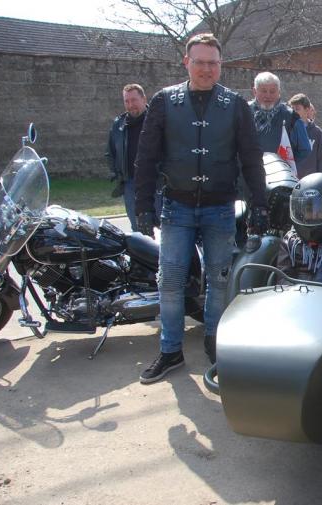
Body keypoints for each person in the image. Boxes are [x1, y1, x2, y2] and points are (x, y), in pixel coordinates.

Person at [134, 33, 269, 383]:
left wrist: (260, 204)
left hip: (220, 207)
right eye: (200, 62)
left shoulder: (235, 105)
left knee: (219, 281)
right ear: (186, 62)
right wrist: (143, 205)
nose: (206, 69)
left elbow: (251, 159)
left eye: (213, 63)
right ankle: (170, 351)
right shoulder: (164, 101)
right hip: (176, 207)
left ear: (221, 65)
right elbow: (146, 156)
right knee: (170, 281)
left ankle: (214, 343)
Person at [106, 83, 162, 229]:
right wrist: (118, 174)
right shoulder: (118, 125)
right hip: (131, 185)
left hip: (156, 183)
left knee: (165, 228)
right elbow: (110, 153)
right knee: (138, 230)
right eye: (127, 101)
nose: (131, 105)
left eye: (134, 100)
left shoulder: (158, 121)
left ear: (144, 99)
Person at [277, 173, 322, 281]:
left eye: (320, 210)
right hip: (296, 290)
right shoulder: (291, 241)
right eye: (309, 210)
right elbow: (283, 278)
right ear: (301, 211)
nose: (314, 215)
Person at [248, 72, 311, 170]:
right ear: (255, 91)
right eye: (264, 91)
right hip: (246, 174)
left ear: (279, 92)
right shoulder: (242, 112)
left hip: (279, 175)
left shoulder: (292, 118)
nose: (268, 95)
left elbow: (305, 149)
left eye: (272, 91)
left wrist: (287, 166)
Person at [288, 93, 322, 178]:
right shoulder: (287, 130)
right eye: (292, 109)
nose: (294, 112)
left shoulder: (317, 132)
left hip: (310, 178)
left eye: (297, 109)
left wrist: (320, 178)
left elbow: (321, 159)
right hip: (291, 177)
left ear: (307, 109)